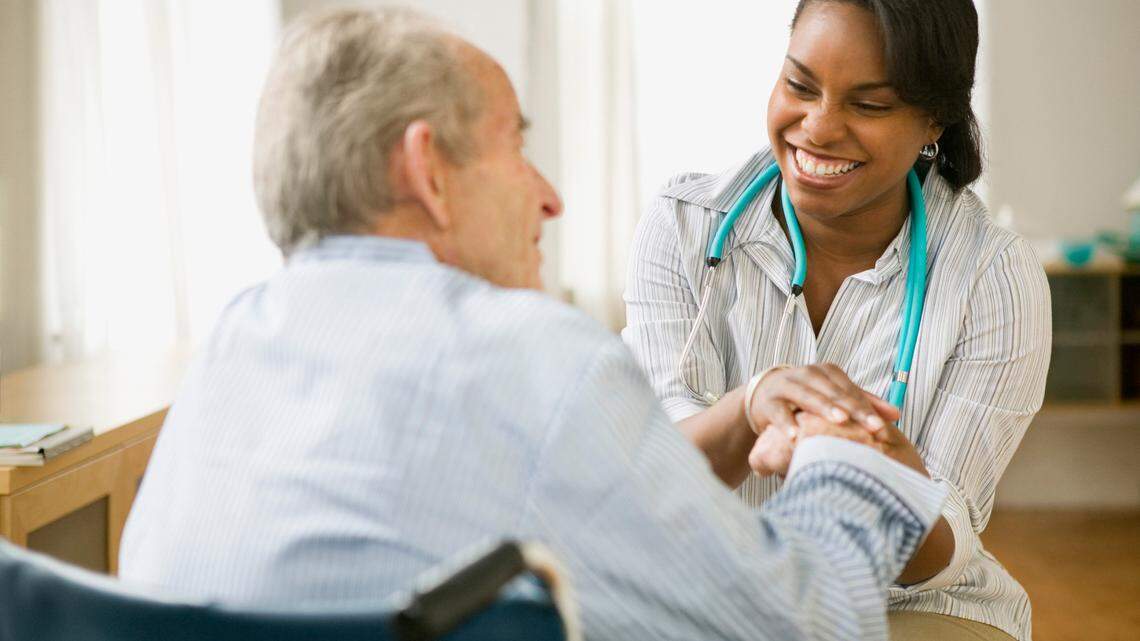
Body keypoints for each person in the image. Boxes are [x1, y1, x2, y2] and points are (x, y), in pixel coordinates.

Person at [119, 7, 947, 640]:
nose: (549, 195)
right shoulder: (536, 356)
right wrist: (847, 453)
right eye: (515, 145)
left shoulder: (235, 343)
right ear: (426, 171)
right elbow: (810, 621)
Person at [622, 1, 1051, 640]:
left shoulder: (994, 274)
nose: (818, 129)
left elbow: (946, 546)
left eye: (869, 106)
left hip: (902, 608)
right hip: (707, 598)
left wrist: (871, 473)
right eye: (799, 85)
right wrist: (751, 408)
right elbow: (653, 478)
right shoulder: (683, 225)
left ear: (935, 118)